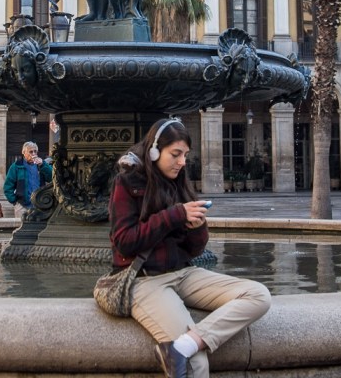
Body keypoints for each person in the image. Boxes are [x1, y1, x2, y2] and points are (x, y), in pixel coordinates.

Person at [108, 118, 271, 378]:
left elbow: (193, 250)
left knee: (259, 295)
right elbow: (124, 242)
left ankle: (182, 346)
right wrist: (174, 215)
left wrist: (197, 228)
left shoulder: (180, 182)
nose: (182, 162)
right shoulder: (127, 183)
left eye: (185, 155)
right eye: (176, 154)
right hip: (145, 280)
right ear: (154, 150)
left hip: (183, 273)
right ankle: (185, 350)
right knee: (197, 365)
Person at [4, 141, 53, 219]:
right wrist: (14, 201)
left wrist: (43, 165)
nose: (33, 154)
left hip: (39, 205)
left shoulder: (40, 165)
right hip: (22, 205)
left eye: (35, 151)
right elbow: (8, 186)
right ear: (24, 152)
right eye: (31, 151)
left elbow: (51, 177)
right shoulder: (16, 166)